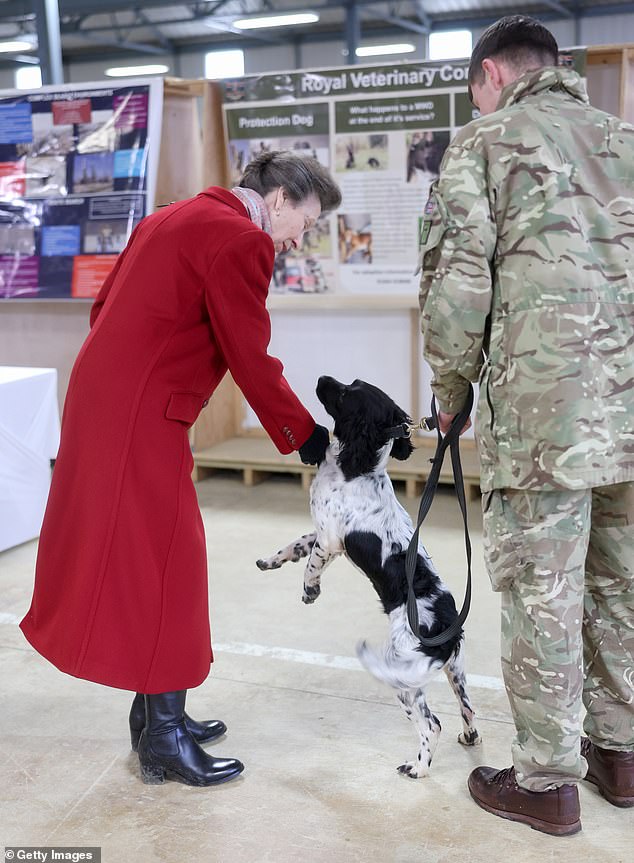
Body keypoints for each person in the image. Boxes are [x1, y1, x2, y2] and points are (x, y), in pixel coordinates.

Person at [20, 151, 341, 787]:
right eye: (303, 222)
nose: (300, 239)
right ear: (276, 200)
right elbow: (248, 352)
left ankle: (155, 713)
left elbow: (103, 307)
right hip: (141, 412)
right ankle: (163, 738)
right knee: (172, 560)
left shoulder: (174, 215)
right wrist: (304, 436)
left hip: (106, 398)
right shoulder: (242, 240)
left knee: (152, 558)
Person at [418, 15, 634, 836]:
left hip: (546, 419)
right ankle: (622, 752)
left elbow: (461, 282)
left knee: (544, 590)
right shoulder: (624, 140)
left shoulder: (482, 142)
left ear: (491, 77)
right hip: (629, 412)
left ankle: (546, 780)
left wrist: (450, 389)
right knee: (621, 583)